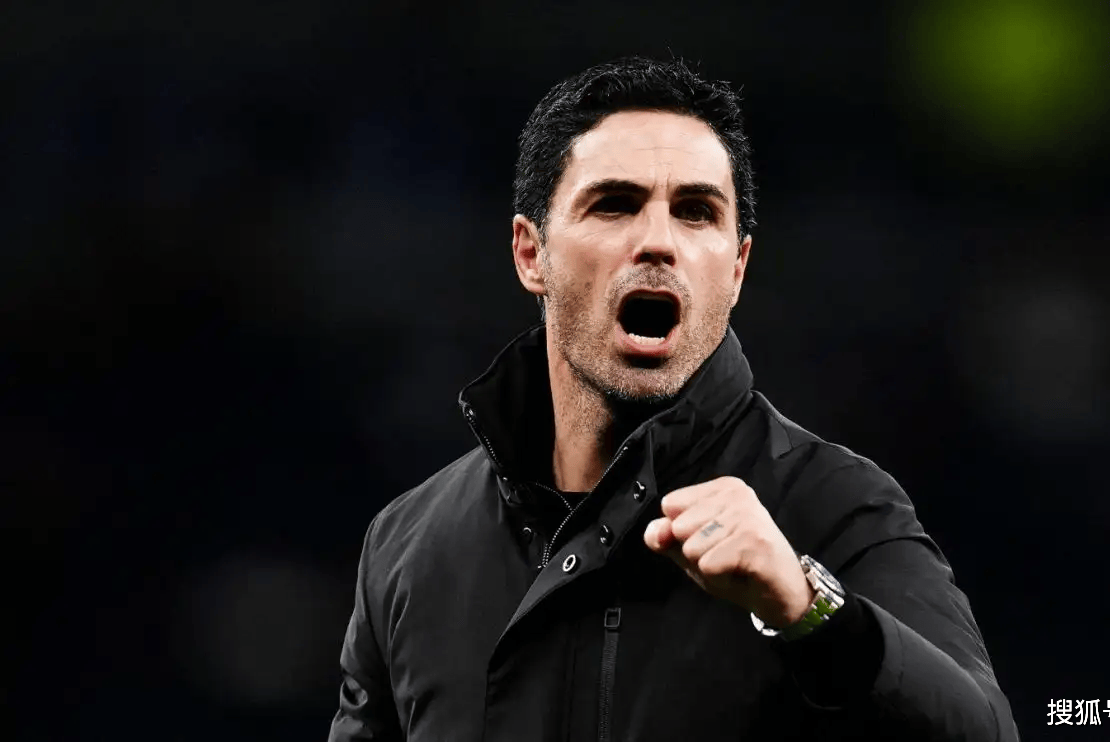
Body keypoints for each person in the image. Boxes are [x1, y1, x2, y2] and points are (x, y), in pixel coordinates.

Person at [328, 56, 1018, 742]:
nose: (658, 242)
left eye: (695, 212)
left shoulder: (832, 506)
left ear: (737, 268)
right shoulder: (410, 544)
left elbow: (984, 730)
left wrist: (804, 606)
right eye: (614, 204)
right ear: (531, 254)